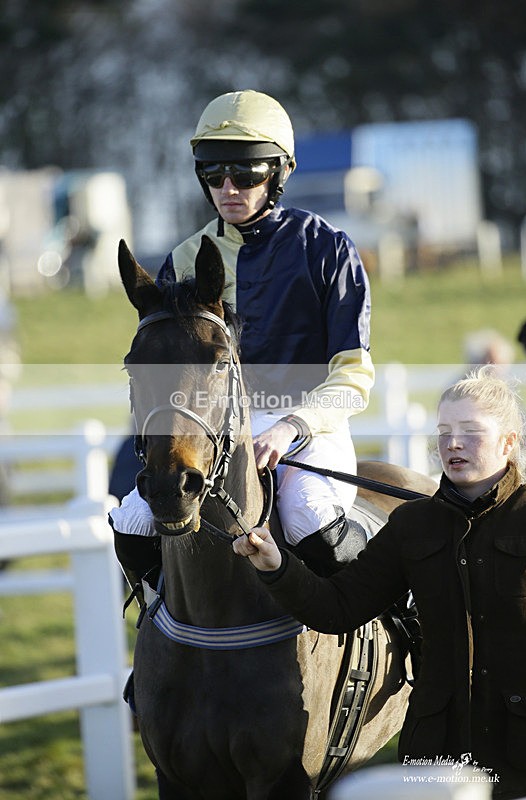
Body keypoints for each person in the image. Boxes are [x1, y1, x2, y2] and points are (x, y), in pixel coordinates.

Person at [111, 89, 376, 581]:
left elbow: (354, 376)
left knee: (309, 522)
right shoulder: (184, 258)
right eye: (215, 175)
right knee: (131, 523)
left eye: (247, 174)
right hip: (211, 433)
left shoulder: (328, 250)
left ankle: (394, 611)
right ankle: (162, 637)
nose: (229, 188)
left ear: (277, 174)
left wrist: (290, 427)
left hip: (305, 430)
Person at [233, 366, 526, 800]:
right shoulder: (412, 525)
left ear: (509, 442)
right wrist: (277, 566)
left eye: (470, 431)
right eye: (444, 430)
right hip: (436, 761)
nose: (452, 443)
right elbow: (337, 608)